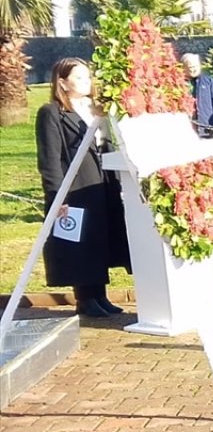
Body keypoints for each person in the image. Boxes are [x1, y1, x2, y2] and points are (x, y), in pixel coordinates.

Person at [35, 58, 131, 318]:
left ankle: (100, 295)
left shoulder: (96, 110)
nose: (86, 82)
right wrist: (57, 195)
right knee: (81, 242)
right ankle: (85, 298)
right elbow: (49, 159)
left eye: (88, 76)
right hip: (74, 186)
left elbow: (106, 145)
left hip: (100, 184)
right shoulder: (51, 113)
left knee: (100, 238)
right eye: (79, 77)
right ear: (63, 83)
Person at [182, 53, 213, 135]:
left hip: (206, 130)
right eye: (191, 67)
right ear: (184, 68)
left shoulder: (208, 82)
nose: (194, 69)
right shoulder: (178, 84)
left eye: (196, 66)